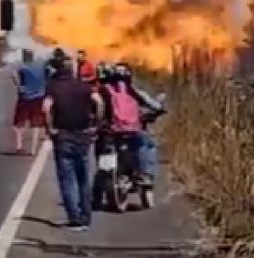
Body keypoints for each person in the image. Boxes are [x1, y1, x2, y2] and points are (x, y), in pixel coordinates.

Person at [43, 56, 104, 230]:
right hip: (83, 136)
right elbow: (99, 103)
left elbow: (46, 108)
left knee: (67, 179)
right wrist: (96, 125)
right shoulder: (84, 86)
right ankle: (86, 216)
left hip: (63, 137)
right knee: (83, 178)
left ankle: (75, 218)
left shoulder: (53, 86)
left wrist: (50, 129)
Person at [100, 63, 163, 185]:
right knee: (147, 145)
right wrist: (160, 108)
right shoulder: (133, 90)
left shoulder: (104, 90)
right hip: (132, 129)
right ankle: (145, 174)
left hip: (112, 131)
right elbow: (154, 105)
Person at [11, 49, 46, 155]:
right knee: (36, 124)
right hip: (39, 97)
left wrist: (19, 86)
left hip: (25, 97)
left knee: (19, 123)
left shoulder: (22, 66)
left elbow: (12, 74)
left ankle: (19, 145)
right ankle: (33, 150)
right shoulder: (40, 67)